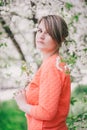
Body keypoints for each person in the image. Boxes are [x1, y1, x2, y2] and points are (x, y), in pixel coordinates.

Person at [14, 15, 71, 130]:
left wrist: (23, 104)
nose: (41, 35)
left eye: (48, 32)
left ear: (59, 38)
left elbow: (47, 112)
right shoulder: (54, 63)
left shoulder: (52, 67)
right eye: (40, 30)